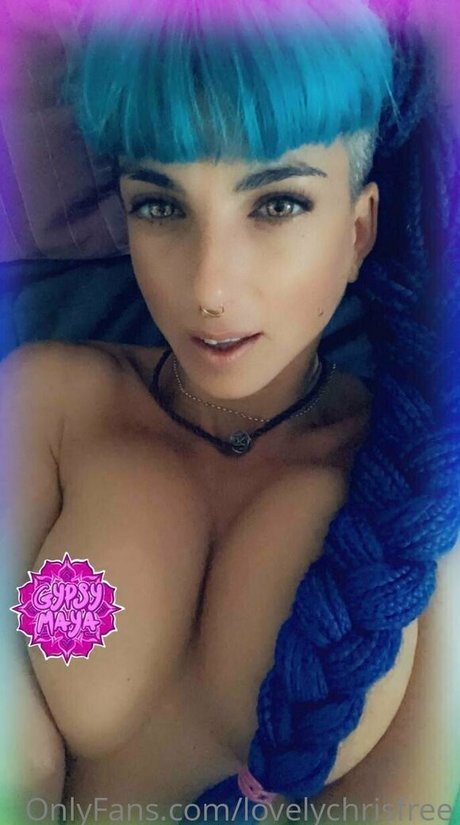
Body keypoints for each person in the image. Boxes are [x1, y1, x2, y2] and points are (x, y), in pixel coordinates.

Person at [1, 0, 459, 823]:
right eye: (161, 205)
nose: (208, 287)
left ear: (359, 231)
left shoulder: (422, 496)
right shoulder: (47, 407)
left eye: (276, 203)